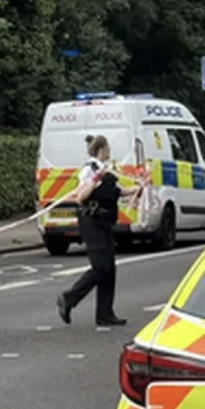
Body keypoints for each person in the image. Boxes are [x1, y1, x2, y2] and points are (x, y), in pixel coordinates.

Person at [56, 135, 139, 327]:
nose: (110, 151)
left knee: (109, 269)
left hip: (104, 223)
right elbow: (81, 196)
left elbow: (119, 191)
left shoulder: (106, 170)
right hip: (91, 222)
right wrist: (95, 179)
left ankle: (105, 314)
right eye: (108, 148)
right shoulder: (89, 170)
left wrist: (139, 187)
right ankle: (68, 298)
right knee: (100, 267)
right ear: (102, 150)